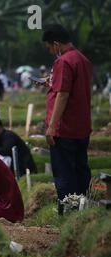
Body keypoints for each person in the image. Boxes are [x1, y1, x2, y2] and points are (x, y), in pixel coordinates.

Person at [41, 24, 93, 215]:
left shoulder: (63, 61)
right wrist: (51, 81)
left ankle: (69, 212)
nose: (50, 51)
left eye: (49, 47)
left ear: (56, 44)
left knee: (64, 173)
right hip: (82, 127)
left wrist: (52, 126)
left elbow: (63, 94)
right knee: (81, 169)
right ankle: (85, 210)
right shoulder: (83, 59)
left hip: (65, 128)